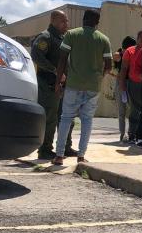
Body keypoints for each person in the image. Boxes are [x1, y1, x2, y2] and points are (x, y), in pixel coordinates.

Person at [53, 9, 113, 166]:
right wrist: (99, 77)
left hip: (73, 84)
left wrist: (58, 81)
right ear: (97, 22)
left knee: (66, 118)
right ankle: (81, 156)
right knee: (87, 121)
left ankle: (59, 156)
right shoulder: (104, 39)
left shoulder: (71, 35)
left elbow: (62, 60)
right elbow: (109, 65)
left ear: (83, 19)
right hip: (93, 86)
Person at [31, 10, 75, 159]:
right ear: (53, 20)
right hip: (48, 85)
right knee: (50, 118)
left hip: (64, 85)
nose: (66, 24)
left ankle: (66, 147)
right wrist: (55, 71)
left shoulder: (63, 38)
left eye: (67, 21)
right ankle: (44, 150)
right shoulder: (46, 37)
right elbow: (36, 56)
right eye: (63, 21)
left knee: (67, 117)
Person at [119, 29, 142, 143]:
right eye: (141, 37)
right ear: (137, 39)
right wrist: (122, 85)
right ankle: (132, 133)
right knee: (134, 110)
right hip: (133, 84)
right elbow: (124, 69)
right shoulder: (129, 51)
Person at [114, 36, 136, 144]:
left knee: (129, 110)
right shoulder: (120, 54)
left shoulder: (135, 53)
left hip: (130, 82)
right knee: (122, 110)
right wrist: (122, 53)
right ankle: (123, 134)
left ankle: (129, 133)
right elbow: (116, 57)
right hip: (123, 82)